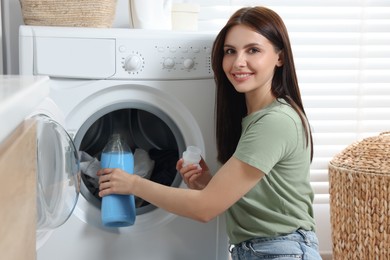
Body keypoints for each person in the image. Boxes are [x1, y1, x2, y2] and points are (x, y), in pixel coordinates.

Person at [98, 6, 322, 260]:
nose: (238, 62)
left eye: (253, 50)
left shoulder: (276, 122)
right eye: (230, 51)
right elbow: (258, 201)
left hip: (282, 251)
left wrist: (133, 183)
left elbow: (205, 209)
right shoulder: (255, 119)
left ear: (279, 57)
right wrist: (207, 183)